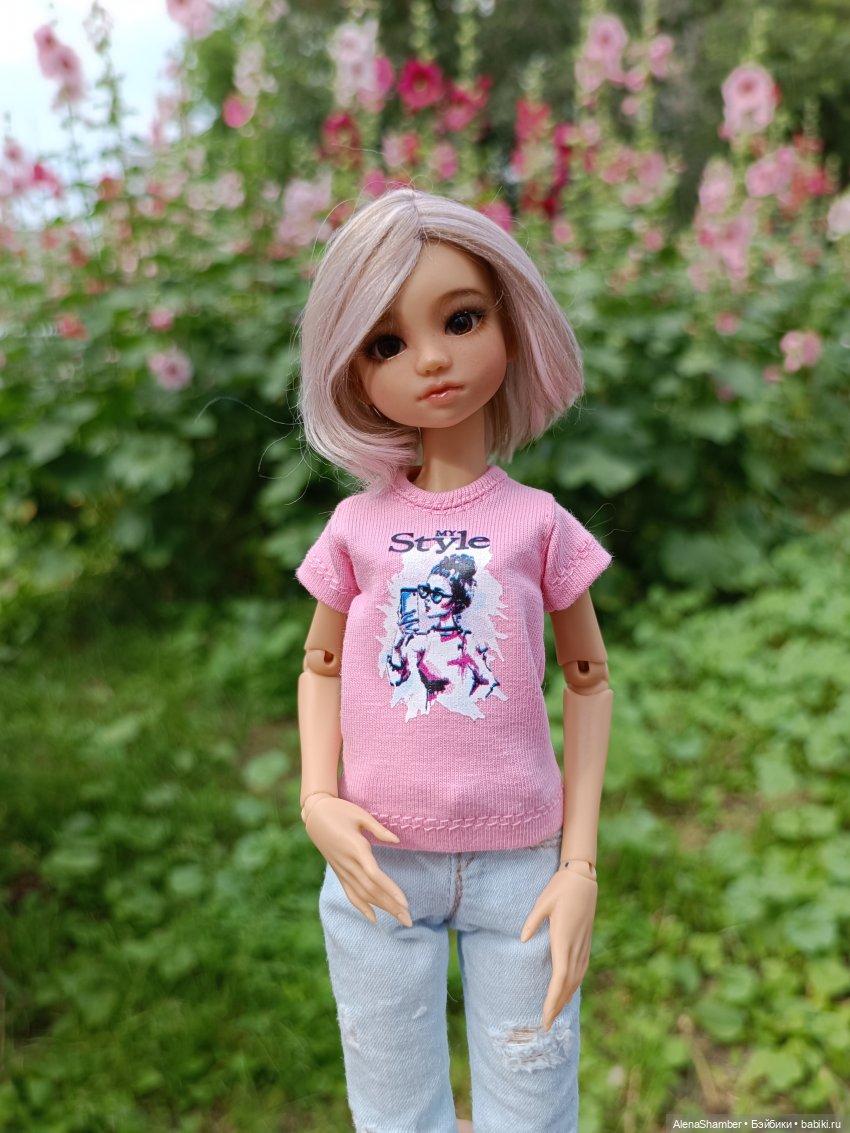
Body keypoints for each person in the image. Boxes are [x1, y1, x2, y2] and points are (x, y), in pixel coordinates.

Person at [295, 189, 613, 1133]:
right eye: (387, 343)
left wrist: (580, 860)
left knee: (535, 1097)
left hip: (524, 862)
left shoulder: (538, 522)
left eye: (462, 319)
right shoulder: (356, 526)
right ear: (354, 371)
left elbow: (590, 679)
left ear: (511, 323)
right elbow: (319, 664)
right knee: (393, 1105)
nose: (431, 358)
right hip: (379, 857)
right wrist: (317, 798)